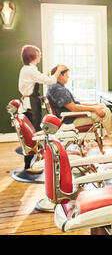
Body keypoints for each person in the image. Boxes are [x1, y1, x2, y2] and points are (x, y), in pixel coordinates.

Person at [46, 65, 112, 146]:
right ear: (60, 75)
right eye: (67, 75)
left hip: (71, 117)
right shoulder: (58, 89)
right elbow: (73, 108)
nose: (68, 77)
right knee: (105, 112)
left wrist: (94, 105)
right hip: (70, 121)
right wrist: (94, 109)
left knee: (102, 106)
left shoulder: (55, 87)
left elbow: (75, 104)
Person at [18, 45, 64, 173]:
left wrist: (48, 73)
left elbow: (40, 78)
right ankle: (29, 166)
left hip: (30, 103)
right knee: (32, 135)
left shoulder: (28, 69)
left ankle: (33, 163)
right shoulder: (30, 70)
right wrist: (58, 70)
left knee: (33, 134)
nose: (41, 55)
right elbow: (50, 81)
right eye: (39, 53)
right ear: (33, 56)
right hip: (30, 105)